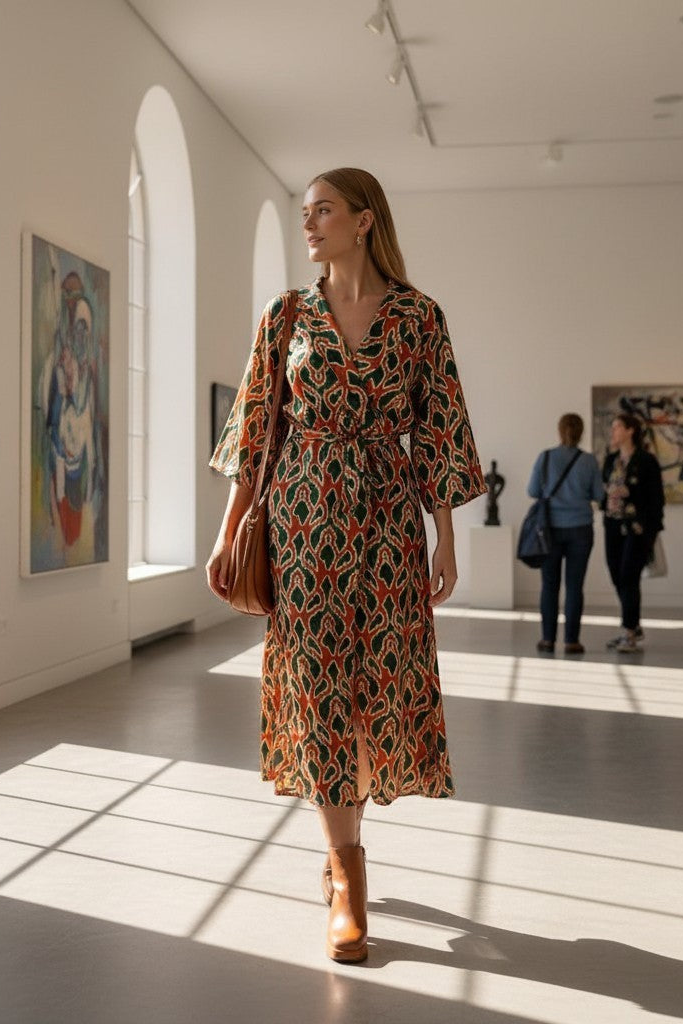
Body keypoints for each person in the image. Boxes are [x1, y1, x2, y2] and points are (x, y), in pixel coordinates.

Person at [205, 167, 484, 964]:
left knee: (377, 689)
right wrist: (230, 533)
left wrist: (447, 535)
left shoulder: (420, 318)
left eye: (323, 210)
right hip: (303, 523)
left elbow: (440, 429)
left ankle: (340, 857)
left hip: (391, 523)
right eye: (304, 213)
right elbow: (255, 431)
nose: (309, 224)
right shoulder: (285, 315)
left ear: (365, 221)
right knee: (323, 688)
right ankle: (348, 878)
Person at [527, 414, 604, 655]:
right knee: (574, 586)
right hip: (581, 528)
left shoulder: (546, 457)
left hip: (550, 529)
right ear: (581, 432)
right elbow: (599, 495)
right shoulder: (589, 461)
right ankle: (572, 641)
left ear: (560, 431)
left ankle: (548, 640)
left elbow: (532, 490)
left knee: (549, 585)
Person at [601, 414, 664, 654]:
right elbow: (604, 489)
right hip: (613, 526)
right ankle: (633, 625)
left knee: (629, 575)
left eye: (617, 427)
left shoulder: (646, 461)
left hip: (637, 528)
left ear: (630, 431)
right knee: (617, 574)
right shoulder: (611, 460)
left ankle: (628, 631)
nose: (613, 431)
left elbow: (656, 498)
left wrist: (651, 527)